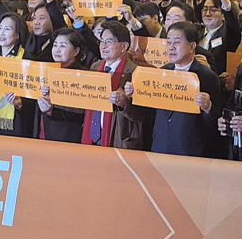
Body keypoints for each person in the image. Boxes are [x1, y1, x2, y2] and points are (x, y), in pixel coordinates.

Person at [126, 21, 223, 157]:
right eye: (169, 42)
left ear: (192, 46)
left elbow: (216, 120)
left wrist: (208, 107)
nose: (171, 47)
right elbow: (152, 112)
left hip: (191, 150)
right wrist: (134, 95)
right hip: (160, 146)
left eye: (177, 42)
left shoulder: (207, 76)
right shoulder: (162, 72)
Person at [81, 21, 147, 149]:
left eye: (109, 41)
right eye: (101, 41)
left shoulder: (135, 72)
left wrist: (124, 104)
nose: (103, 45)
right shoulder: (95, 67)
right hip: (91, 138)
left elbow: (142, 115)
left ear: (124, 46)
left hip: (118, 140)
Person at [35, 28, 87, 143]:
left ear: (76, 51)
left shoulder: (82, 76)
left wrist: (51, 110)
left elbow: (81, 113)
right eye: (55, 45)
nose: (57, 50)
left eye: (63, 46)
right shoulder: (46, 71)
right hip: (43, 134)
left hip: (67, 138)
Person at [0, 12, 30, 136]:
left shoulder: (26, 59)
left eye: (7, 29)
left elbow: (33, 96)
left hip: (16, 122)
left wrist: (20, 102)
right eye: (0, 28)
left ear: (18, 34)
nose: (2, 33)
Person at [196, 0, 241, 74]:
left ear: (223, 15)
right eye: (205, 9)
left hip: (217, 80)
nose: (207, 14)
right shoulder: (196, 31)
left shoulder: (228, 34)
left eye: (213, 10)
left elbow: (233, 24)